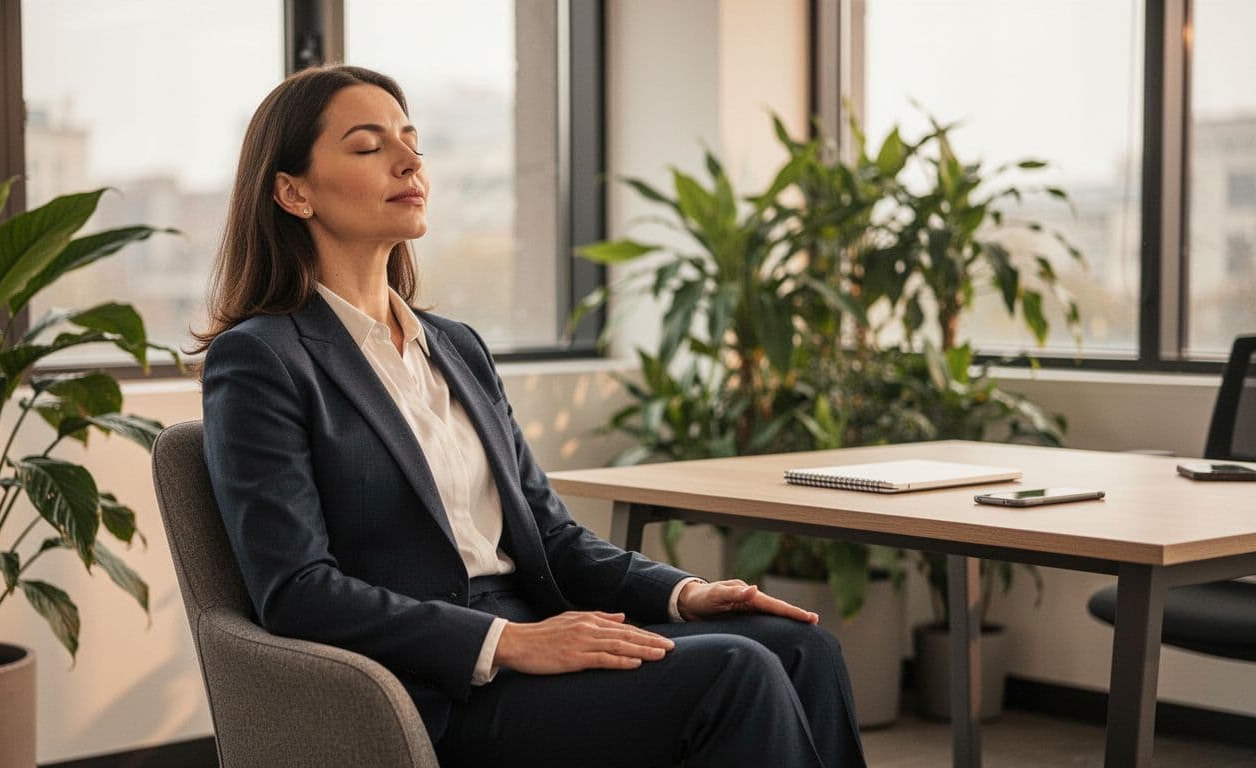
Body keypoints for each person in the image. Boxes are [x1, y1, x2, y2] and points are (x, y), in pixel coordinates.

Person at [196, 64, 866, 768]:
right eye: (368, 147)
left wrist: (685, 593)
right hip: (438, 687)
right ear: (292, 191)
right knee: (736, 673)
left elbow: (552, 536)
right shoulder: (262, 360)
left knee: (800, 646)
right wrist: (507, 643)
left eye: (412, 142)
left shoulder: (454, 346)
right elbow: (299, 592)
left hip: (540, 630)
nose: (408, 162)